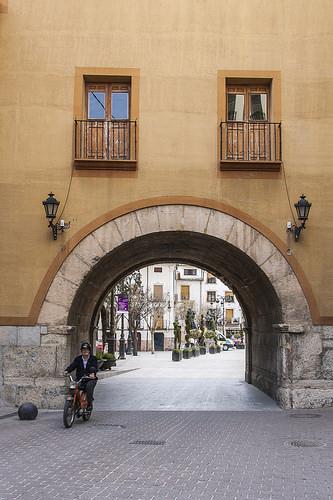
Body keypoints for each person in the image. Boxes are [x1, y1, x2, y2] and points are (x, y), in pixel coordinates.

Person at [64, 342, 98, 410]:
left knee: (88, 387)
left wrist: (93, 373)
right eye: (83, 350)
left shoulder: (93, 358)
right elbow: (73, 365)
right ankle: (75, 401)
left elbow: (95, 367)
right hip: (80, 378)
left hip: (90, 379)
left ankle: (89, 403)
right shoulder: (78, 359)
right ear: (81, 351)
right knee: (73, 387)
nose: (85, 351)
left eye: (87, 349)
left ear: (89, 351)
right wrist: (67, 371)